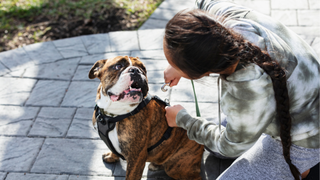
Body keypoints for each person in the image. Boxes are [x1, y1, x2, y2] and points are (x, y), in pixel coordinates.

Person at [163, 0, 319, 179]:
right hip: (298, 99)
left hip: (306, 136)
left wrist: (184, 120)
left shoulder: (249, 91)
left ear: (203, 73)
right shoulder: (224, 20)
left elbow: (229, 146)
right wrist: (178, 63)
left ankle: (301, 166)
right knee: (212, 144)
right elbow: (202, 2)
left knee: (223, 154)